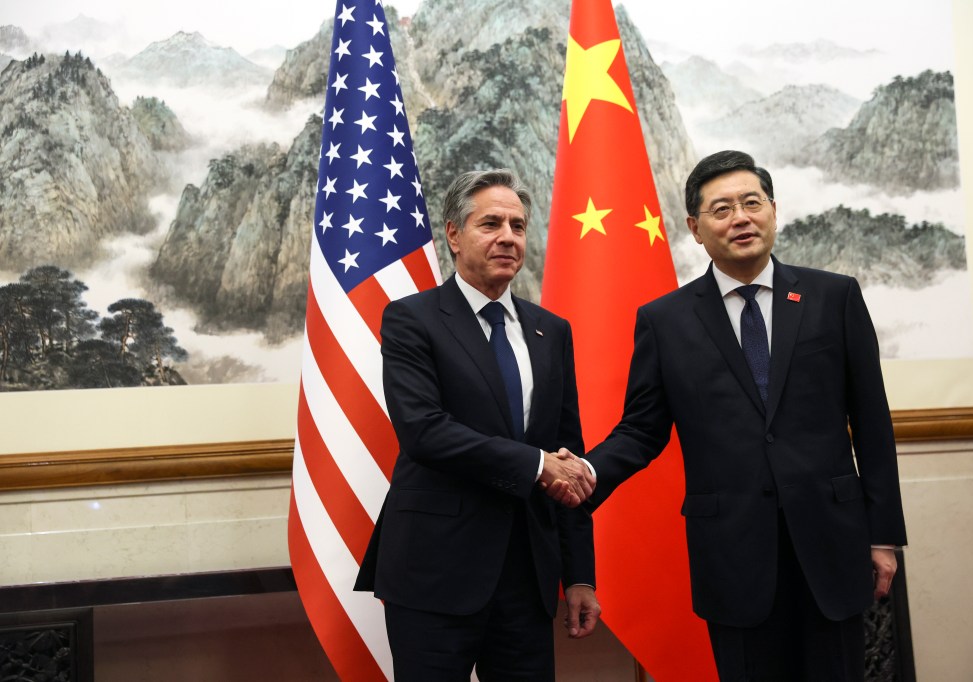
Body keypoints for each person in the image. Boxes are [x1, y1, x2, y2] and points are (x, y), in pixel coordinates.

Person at [584, 150, 907, 680]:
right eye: (722, 209)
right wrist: (586, 476)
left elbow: (873, 426)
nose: (741, 218)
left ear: (773, 211)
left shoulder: (834, 297)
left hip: (832, 543)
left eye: (752, 203)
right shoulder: (665, 321)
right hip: (732, 555)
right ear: (695, 227)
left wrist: (884, 535)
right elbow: (642, 430)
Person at [355, 168, 601, 681]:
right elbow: (424, 431)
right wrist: (536, 466)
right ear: (453, 234)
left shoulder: (550, 331)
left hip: (528, 578)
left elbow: (568, 457)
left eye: (518, 225)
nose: (508, 237)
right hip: (435, 572)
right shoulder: (412, 319)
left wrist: (580, 575)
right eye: (491, 223)